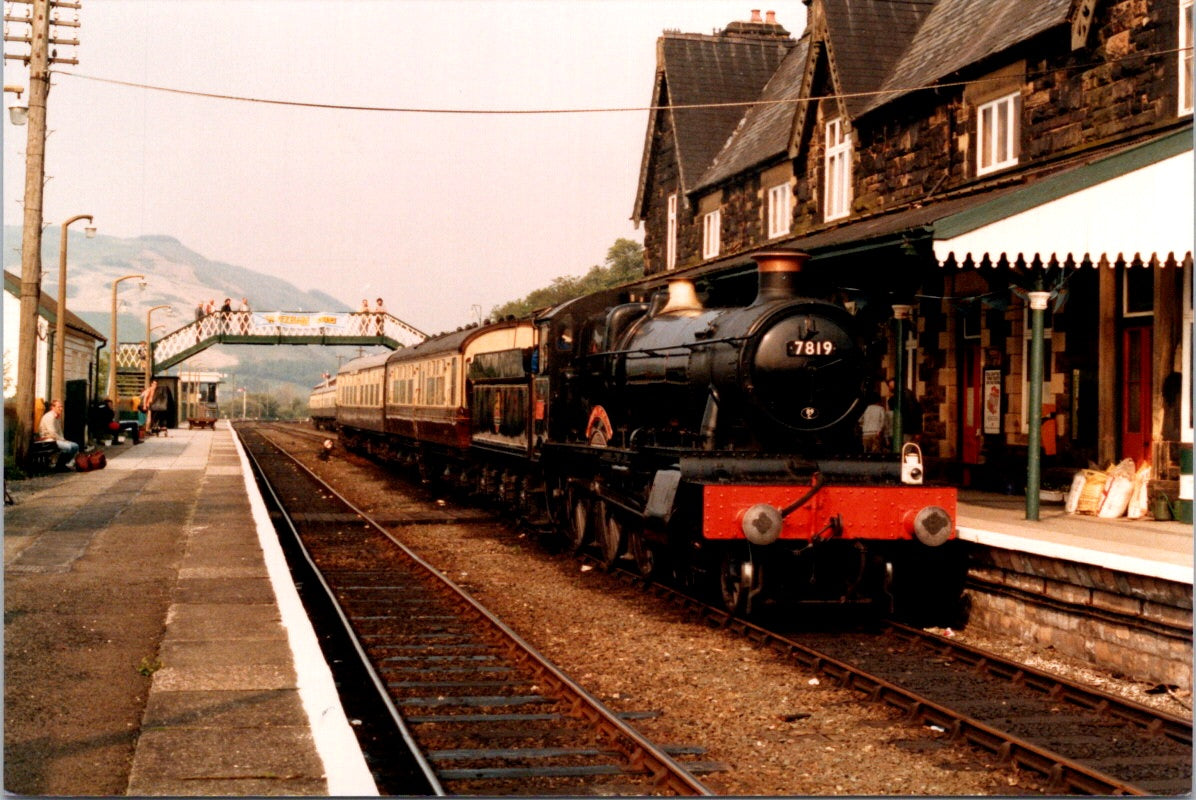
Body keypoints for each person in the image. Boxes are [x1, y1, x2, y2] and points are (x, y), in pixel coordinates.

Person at [38, 399, 79, 470]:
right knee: (70, 447)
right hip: (48, 441)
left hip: (54, 439)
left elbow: (59, 432)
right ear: (52, 408)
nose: (61, 409)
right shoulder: (50, 417)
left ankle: (61, 464)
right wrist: (63, 440)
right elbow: (52, 432)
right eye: (59, 407)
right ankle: (60, 465)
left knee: (75, 446)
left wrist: (63, 439)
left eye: (61, 407)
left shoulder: (56, 417)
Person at [886, 378, 923, 445]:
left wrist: (917, 430)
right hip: (903, 430)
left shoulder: (906, 396)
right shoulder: (900, 396)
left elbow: (914, 412)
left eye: (891, 386)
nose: (890, 388)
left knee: (905, 450)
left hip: (907, 430)